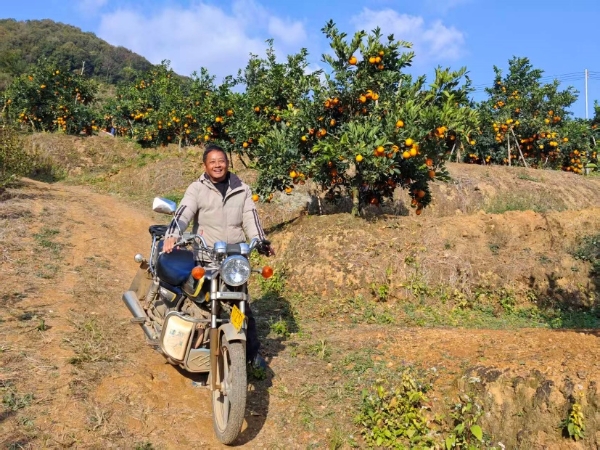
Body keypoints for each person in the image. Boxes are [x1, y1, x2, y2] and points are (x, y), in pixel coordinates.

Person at [163, 144, 274, 370]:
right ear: (205, 166)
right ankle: (192, 346)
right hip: (207, 256)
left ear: (227, 163)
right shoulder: (197, 188)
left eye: (221, 161)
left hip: (234, 258)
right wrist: (173, 234)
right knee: (201, 301)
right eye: (212, 162)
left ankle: (250, 354)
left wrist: (260, 241)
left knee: (240, 305)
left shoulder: (242, 189)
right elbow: (184, 212)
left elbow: (251, 218)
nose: (217, 165)